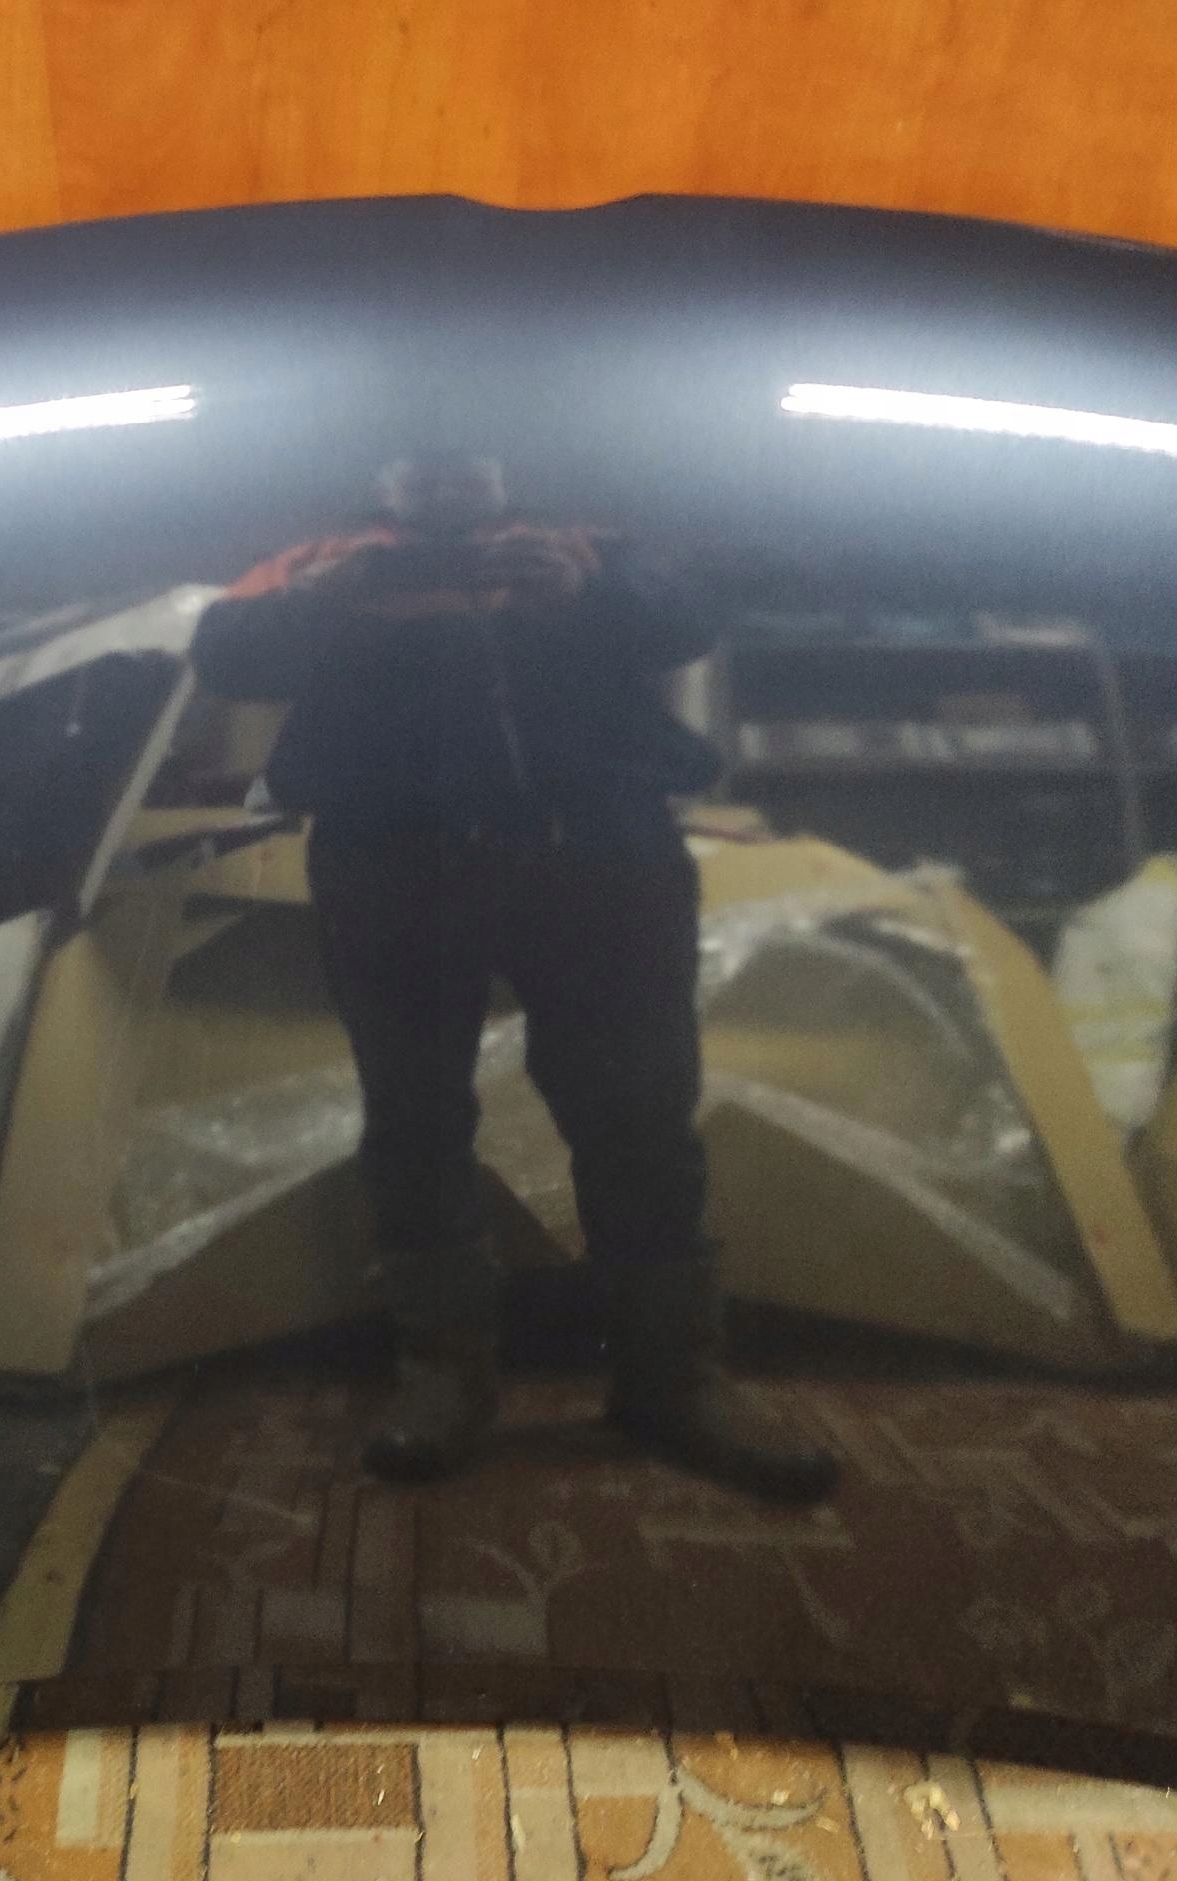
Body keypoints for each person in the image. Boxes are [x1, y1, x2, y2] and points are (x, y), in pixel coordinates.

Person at [191, 455, 840, 1501]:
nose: (439, 478)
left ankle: (673, 1380)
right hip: (394, 863)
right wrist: (313, 603)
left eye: (463, 461)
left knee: (638, 1115)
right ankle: (443, 1378)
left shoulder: (590, 538)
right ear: (384, 477)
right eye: (414, 461)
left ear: (501, 471)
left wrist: (585, 592)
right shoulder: (321, 555)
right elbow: (225, 657)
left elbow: (685, 621)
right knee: (412, 1113)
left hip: (599, 854)